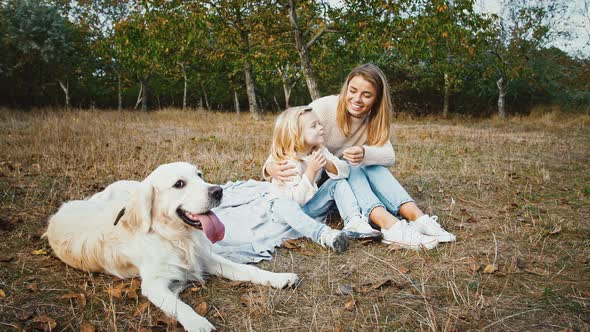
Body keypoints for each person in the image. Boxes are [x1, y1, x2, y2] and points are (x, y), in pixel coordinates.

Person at [264, 64, 455, 250]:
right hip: (317, 190)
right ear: (346, 88)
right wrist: (269, 168)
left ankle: (417, 217)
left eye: (367, 95)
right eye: (353, 90)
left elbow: (389, 156)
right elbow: (287, 138)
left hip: (340, 178)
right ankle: (388, 224)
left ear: (377, 99)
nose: (357, 99)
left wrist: (365, 152)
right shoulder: (322, 108)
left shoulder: (374, 119)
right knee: (354, 165)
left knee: (370, 164)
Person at [268, 106, 382, 240]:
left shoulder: (318, 150)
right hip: (298, 213)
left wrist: (327, 163)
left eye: (319, 124)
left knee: (337, 182)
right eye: (313, 126)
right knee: (334, 186)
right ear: (295, 134)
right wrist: (311, 171)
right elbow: (295, 203)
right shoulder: (288, 163)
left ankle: (354, 222)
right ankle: (327, 231)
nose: (321, 128)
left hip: (312, 205)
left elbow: (345, 171)